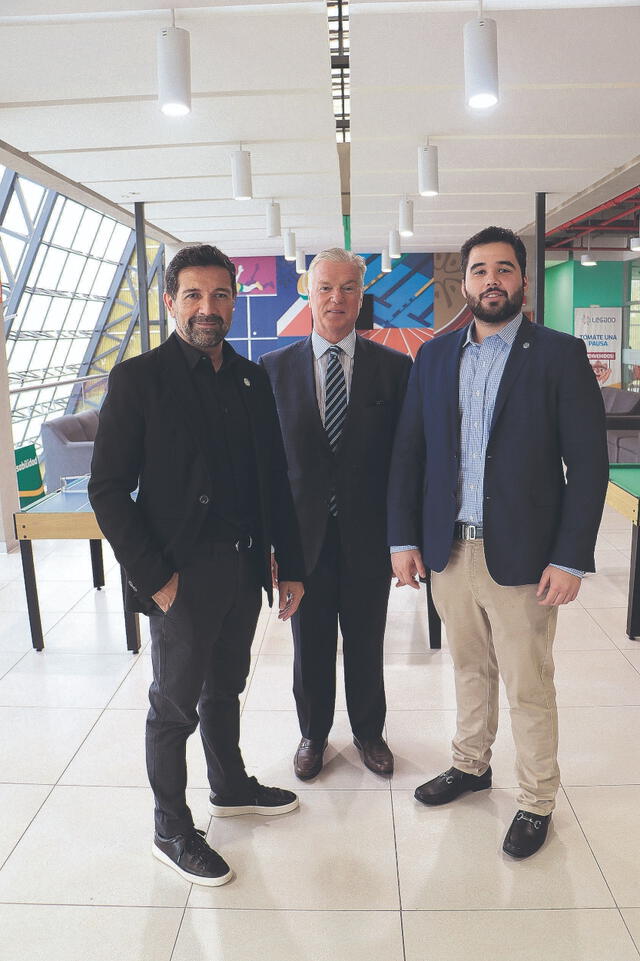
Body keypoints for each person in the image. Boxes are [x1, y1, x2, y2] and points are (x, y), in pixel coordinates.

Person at [388, 226, 608, 859]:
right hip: (449, 551)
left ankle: (537, 799)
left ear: (521, 280)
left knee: (528, 682)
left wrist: (570, 556)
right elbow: (411, 454)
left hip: (526, 557)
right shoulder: (433, 356)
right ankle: (471, 765)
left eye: (504, 270)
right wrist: (402, 538)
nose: (492, 281)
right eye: (479, 270)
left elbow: (587, 464)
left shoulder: (559, 354)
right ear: (464, 281)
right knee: (468, 669)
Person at [89, 244, 305, 887]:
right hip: (179, 575)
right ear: (170, 302)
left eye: (218, 295)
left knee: (225, 687)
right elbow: (107, 489)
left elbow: (274, 480)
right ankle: (171, 826)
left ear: (234, 301)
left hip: (242, 571)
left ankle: (229, 784)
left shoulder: (250, 378)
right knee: (174, 704)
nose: (206, 308)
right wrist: (155, 578)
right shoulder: (138, 380)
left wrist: (288, 563)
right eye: (193, 295)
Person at [260, 249, 412, 780]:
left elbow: (405, 460)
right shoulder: (273, 369)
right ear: (309, 292)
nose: (337, 299)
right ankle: (313, 735)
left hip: (370, 540)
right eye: (326, 287)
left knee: (367, 641)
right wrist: (273, 547)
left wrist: (404, 539)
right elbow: (267, 466)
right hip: (302, 541)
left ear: (362, 297)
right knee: (311, 647)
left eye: (349, 288)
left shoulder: (395, 370)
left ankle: (369, 733)